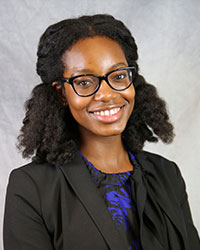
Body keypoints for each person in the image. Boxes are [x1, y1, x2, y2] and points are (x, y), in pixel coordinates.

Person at [3, 14, 199, 250]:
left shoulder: (167, 174)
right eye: (85, 82)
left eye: (118, 76)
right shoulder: (32, 187)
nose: (106, 94)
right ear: (61, 93)